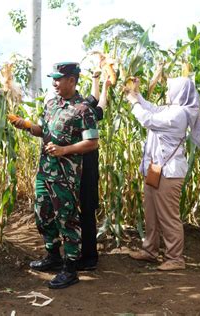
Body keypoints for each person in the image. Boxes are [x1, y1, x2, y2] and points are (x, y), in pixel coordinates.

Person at [11, 62, 99, 289]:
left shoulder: (83, 110)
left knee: (67, 219)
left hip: (65, 176)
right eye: (53, 78)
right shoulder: (51, 105)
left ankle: (70, 269)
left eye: (59, 79)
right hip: (44, 172)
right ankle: (53, 256)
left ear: (72, 80)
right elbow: (45, 131)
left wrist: (64, 150)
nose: (54, 83)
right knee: (43, 214)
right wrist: (27, 125)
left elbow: (92, 142)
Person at [125, 77, 200, 271]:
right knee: (151, 212)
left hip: (169, 173)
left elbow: (148, 119)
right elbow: (151, 108)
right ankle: (150, 250)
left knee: (168, 216)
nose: (167, 91)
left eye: (170, 89)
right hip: (156, 169)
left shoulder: (179, 114)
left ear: (179, 91)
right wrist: (136, 93)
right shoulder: (171, 109)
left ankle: (175, 258)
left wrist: (134, 103)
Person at [76, 73, 111, 271]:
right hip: (82, 167)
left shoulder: (82, 109)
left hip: (85, 167)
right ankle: (83, 253)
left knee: (86, 211)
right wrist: (100, 82)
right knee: (83, 211)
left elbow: (99, 103)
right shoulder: (81, 107)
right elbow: (99, 101)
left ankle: (88, 256)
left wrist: (102, 84)